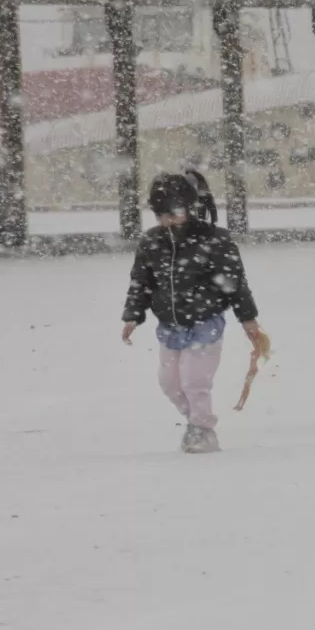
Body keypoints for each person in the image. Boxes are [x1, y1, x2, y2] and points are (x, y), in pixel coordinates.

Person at [121, 169, 263, 453]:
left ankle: (203, 429)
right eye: (161, 214)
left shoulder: (213, 239)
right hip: (170, 325)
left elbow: (235, 283)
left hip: (204, 323)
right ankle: (195, 421)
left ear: (189, 208)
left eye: (173, 212)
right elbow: (141, 281)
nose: (167, 220)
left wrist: (248, 319)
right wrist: (132, 315)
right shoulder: (152, 242)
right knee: (169, 383)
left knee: (194, 380)